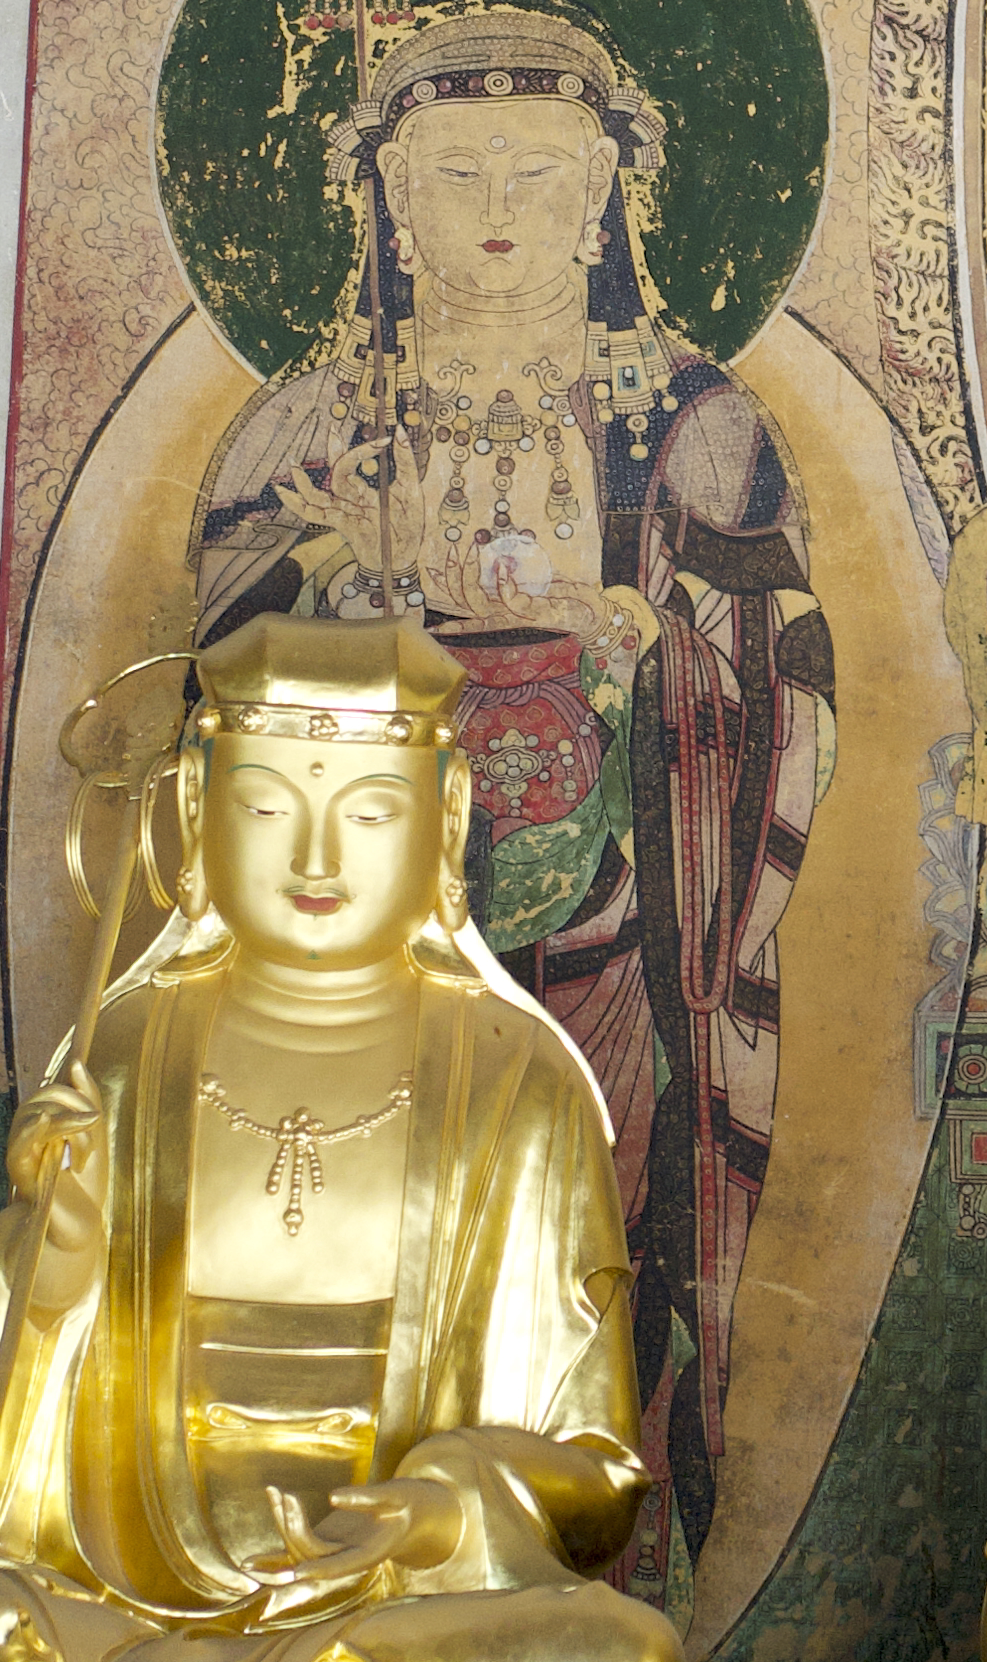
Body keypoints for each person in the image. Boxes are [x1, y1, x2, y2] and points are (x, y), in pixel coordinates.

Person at [188, 0, 836, 1606]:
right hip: (367, 955)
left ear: (602, 196)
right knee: (375, 1272)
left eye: (537, 175)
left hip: (605, 934)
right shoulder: (306, 427)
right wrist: (341, 597)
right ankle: (360, 1579)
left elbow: (780, 681)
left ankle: (572, 1581)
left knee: (584, 1263)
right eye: (455, 171)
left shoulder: (688, 427)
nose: (496, 208)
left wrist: (647, 648)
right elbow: (214, 709)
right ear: (389, 201)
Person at [0, 614, 682, 1661]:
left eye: (370, 812)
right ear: (195, 806)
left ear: (446, 817)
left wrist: (440, 1512)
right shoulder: (118, 1061)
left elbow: (596, 1481)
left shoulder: (518, 1082)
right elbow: (20, 1471)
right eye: (266, 806)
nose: (315, 856)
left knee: (612, 1645)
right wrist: (56, 1263)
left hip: (390, 1612)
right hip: (128, 1596)